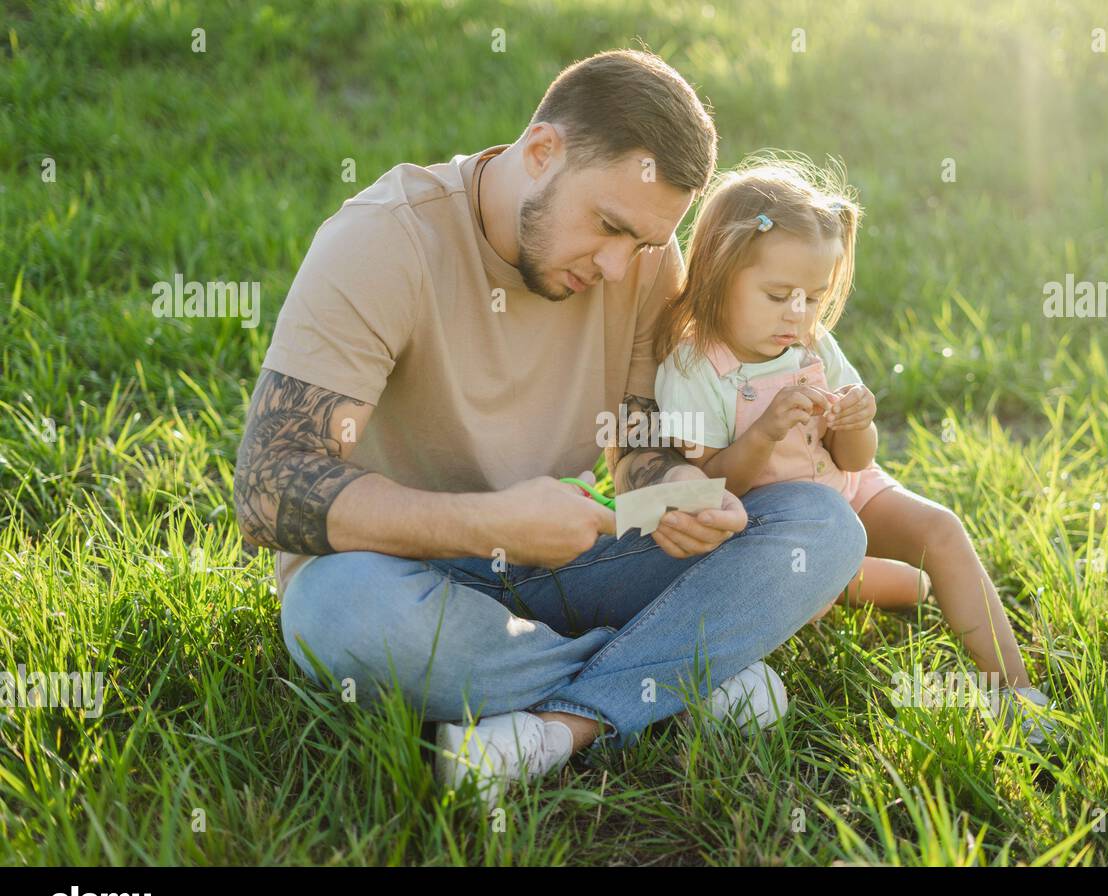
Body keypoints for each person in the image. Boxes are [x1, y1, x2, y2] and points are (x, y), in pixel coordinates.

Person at [233, 51, 866, 806]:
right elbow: (267, 488)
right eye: (607, 227)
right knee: (333, 615)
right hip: (403, 574)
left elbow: (638, 450)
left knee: (821, 525)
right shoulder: (383, 242)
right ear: (541, 153)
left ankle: (554, 724)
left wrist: (679, 492)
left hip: (568, 551)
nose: (614, 264)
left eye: (641, 243)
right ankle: (675, 677)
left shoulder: (644, 260)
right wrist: (487, 523)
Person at [652, 156, 1061, 745]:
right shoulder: (693, 369)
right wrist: (763, 433)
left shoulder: (812, 345)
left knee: (940, 531)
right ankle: (847, 583)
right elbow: (712, 488)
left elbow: (853, 460)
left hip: (848, 491)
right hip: (774, 531)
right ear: (718, 273)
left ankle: (1014, 692)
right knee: (882, 589)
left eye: (813, 297)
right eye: (776, 295)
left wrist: (857, 420)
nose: (797, 313)